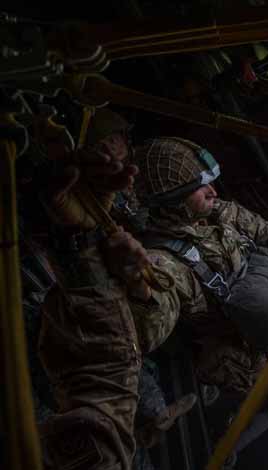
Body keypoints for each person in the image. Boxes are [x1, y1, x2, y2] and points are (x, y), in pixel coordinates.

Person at [131, 136, 268, 469]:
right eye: (201, 189)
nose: (214, 193)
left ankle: (238, 407)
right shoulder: (164, 262)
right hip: (226, 349)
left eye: (211, 185)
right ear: (174, 202)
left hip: (255, 314)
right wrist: (141, 291)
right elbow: (149, 326)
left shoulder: (217, 213)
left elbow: (267, 230)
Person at [37, 109, 195, 470]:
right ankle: (152, 419)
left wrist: (83, 247)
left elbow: (108, 373)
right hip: (87, 314)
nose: (125, 144)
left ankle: (151, 420)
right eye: (119, 137)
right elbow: (111, 365)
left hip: (98, 306)